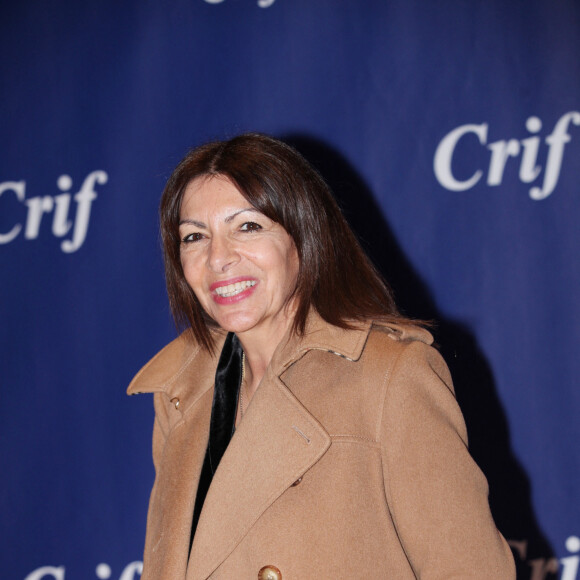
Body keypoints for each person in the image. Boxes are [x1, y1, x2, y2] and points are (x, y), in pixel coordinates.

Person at [128, 133, 515, 579]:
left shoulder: (388, 374)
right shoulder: (179, 392)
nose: (218, 258)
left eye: (248, 227)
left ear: (303, 236)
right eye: (194, 236)